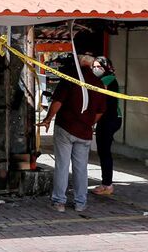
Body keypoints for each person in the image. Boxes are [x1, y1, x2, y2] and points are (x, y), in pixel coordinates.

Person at [38, 53, 107, 213]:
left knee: (62, 165)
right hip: (84, 132)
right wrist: (89, 122)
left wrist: (48, 119)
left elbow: (57, 102)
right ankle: (80, 203)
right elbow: (101, 111)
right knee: (81, 168)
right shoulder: (98, 83)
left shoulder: (70, 78)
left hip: (66, 127)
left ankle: (59, 202)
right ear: (90, 65)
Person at [91, 56, 122, 196]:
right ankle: (106, 183)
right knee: (103, 151)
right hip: (105, 119)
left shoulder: (108, 79)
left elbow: (97, 92)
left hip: (111, 119)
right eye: (94, 67)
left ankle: (107, 185)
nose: (96, 69)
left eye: (99, 67)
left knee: (104, 151)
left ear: (106, 67)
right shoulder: (103, 79)